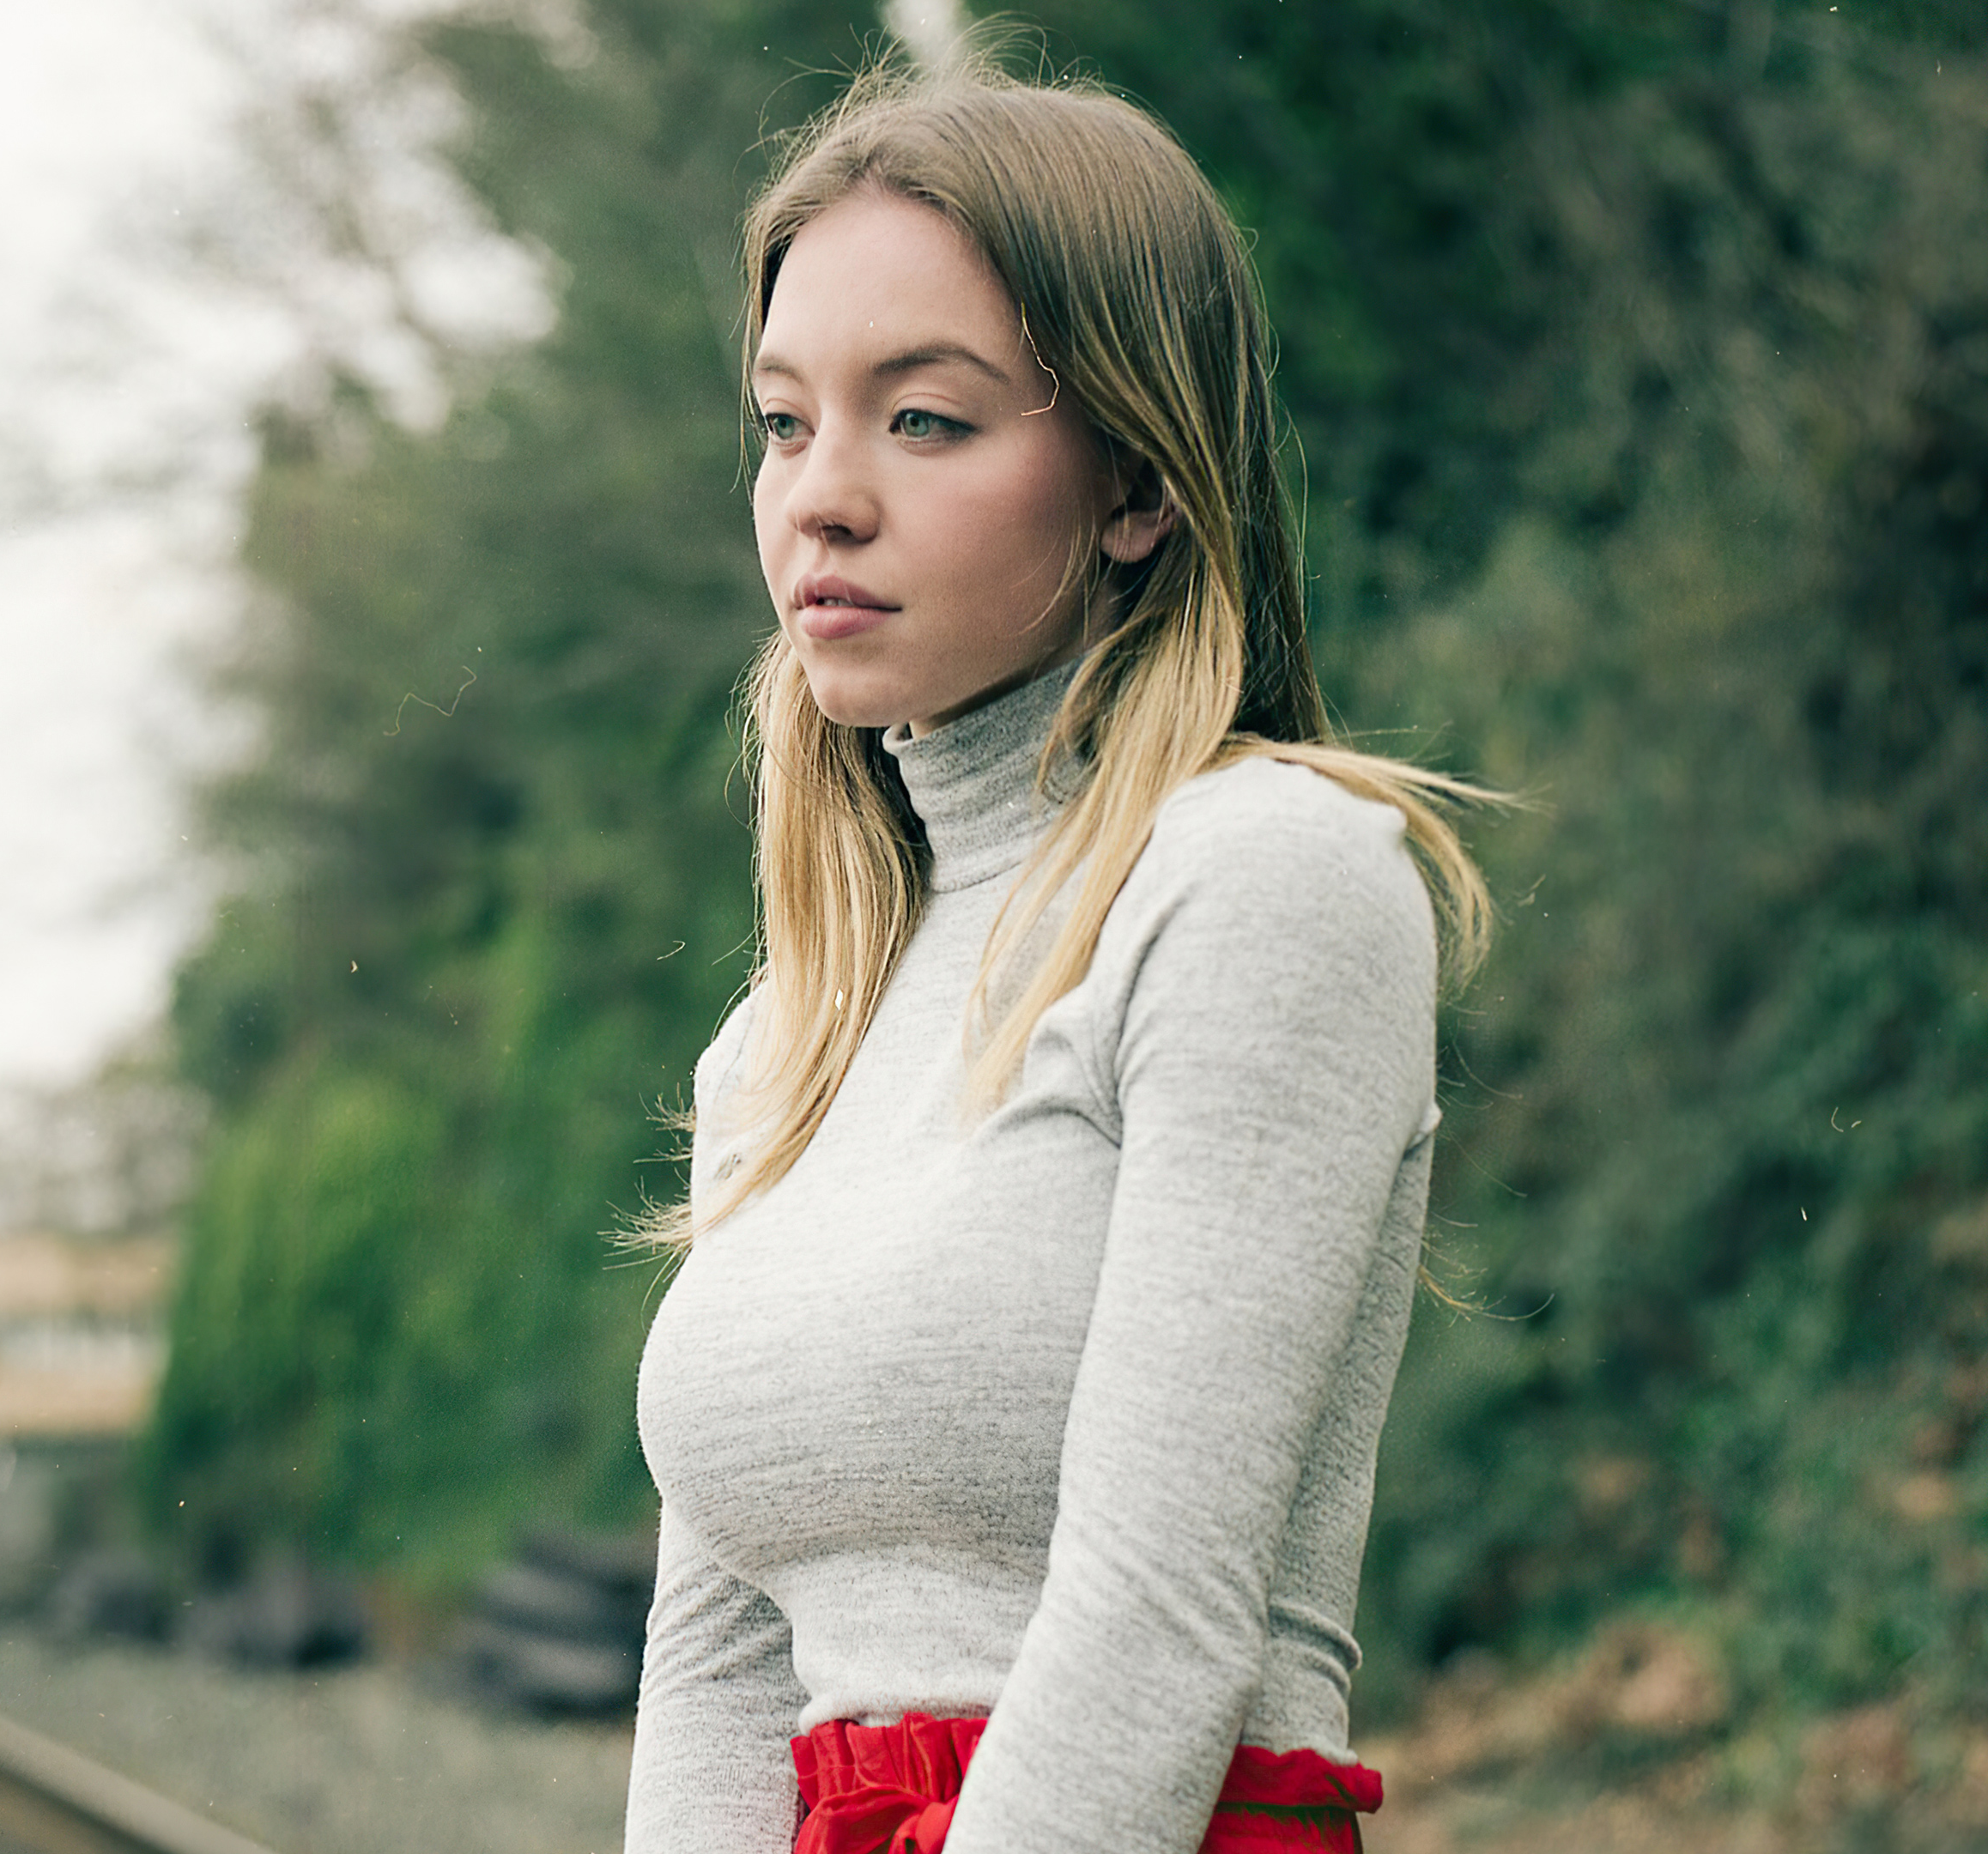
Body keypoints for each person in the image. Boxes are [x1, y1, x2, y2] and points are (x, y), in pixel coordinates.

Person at [626, 48, 1498, 1854]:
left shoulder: (1269, 881)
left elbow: (1159, 1621)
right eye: (786, 423)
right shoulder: (783, 1038)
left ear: (1137, 487)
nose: (820, 499)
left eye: (923, 421)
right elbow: (716, 1673)